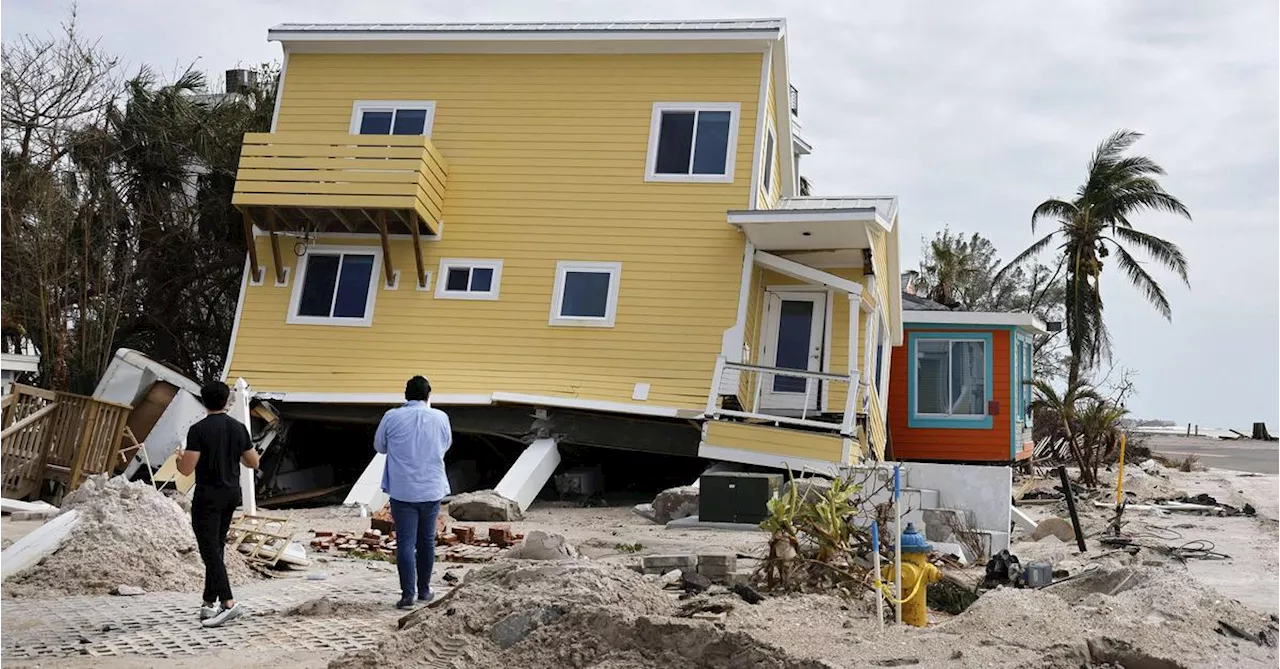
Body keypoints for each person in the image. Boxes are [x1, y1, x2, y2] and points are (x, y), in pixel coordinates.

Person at [177, 381, 260, 628]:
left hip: (207, 495)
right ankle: (208, 601)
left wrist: (180, 458)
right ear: (227, 401)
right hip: (231, 493)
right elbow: (253, 462)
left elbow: (187, 469)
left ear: (204, 401)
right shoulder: (238, 428)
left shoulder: (198, 430)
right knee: (217, 547)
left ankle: (229, 603)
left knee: (209, 550)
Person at [374, 375, 453, 609]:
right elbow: (446, 445)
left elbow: (380, 447)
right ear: (428, 396)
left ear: (405, 395)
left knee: (406, 543)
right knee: (427, 542)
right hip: (431, 488)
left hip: (402, 490)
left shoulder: (392, 417)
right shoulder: (441, 417)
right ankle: (425, 591)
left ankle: (407, 595)